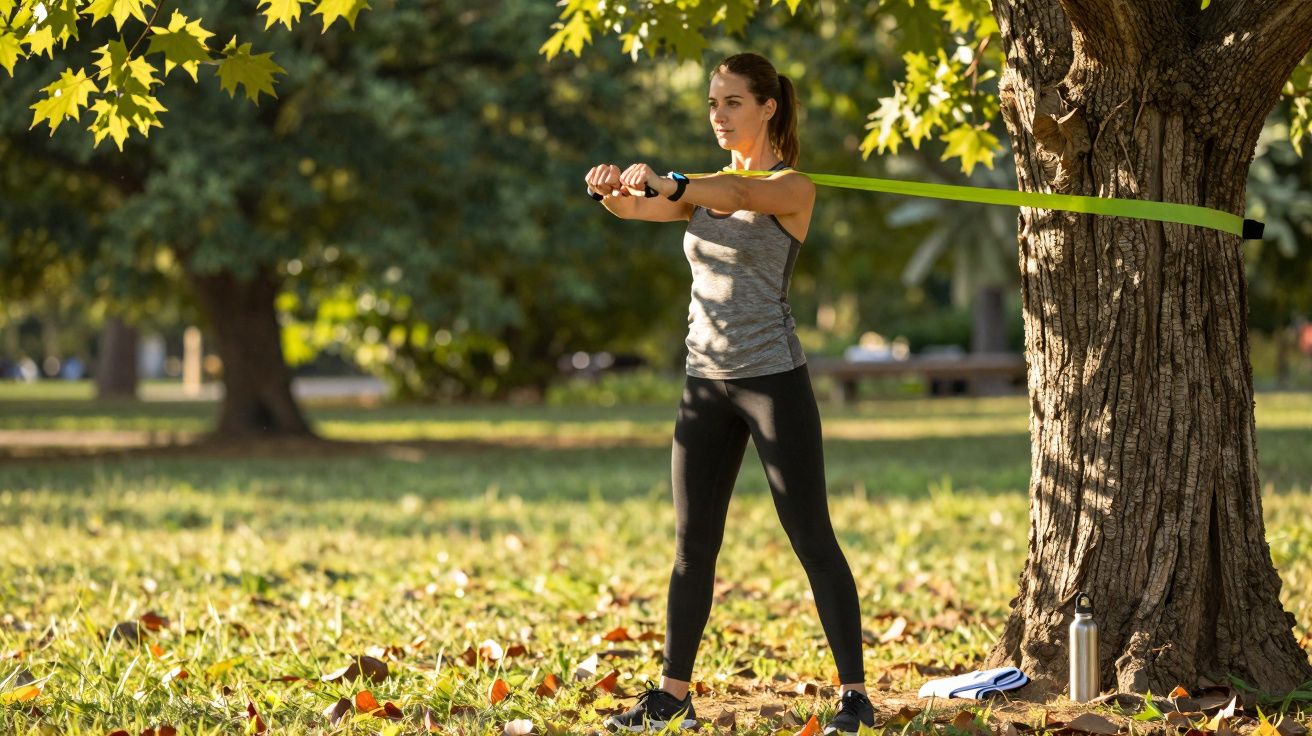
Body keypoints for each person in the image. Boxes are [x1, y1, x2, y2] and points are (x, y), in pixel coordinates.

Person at [583, 52, 875, 735]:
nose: (719, 116)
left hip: (773, 379)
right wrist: (609, 189)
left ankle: (855, 694)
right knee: (692, 545)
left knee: (811, 537)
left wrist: (674, 180)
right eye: (713, 104)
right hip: (703, 385)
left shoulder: (792, 187)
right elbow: (636, 210)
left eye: (733, 103)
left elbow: (740, 196)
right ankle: (672, 695)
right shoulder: (699, 188)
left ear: (768, 108)